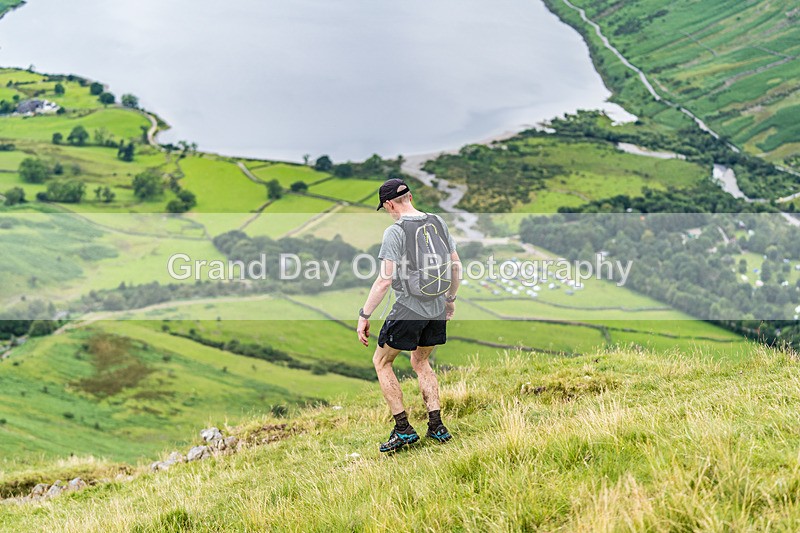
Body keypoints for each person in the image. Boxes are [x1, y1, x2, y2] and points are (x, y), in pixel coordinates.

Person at [357, 178, 461, 452]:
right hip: (437, 306)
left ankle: (403, 429)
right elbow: (456, 265)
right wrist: (449, 300)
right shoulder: (437, 221)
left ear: (389, 204)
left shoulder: (396, 231)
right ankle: (436, 426)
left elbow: (384, 280)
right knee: (421, 362)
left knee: (381, 361)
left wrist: (364, 314)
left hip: (409, 309)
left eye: (386, 207)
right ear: (410, 196)